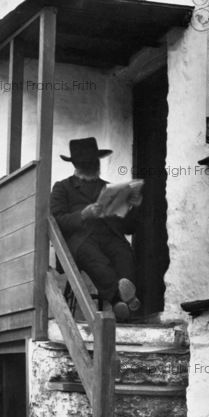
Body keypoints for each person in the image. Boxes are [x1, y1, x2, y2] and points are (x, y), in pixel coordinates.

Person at [50, 137, 142, 322]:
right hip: (79, 242)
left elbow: (128, 227)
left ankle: (121, 302)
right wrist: (83, 215)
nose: (92, 165)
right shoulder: (62, 188)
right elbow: (56, 221)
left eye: (94, 161)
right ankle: (122, 299)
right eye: (87, 162)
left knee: (124, 252)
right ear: (76, 164)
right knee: (95, 258)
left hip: (109, 236)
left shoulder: (109, 188)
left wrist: (134, 207)